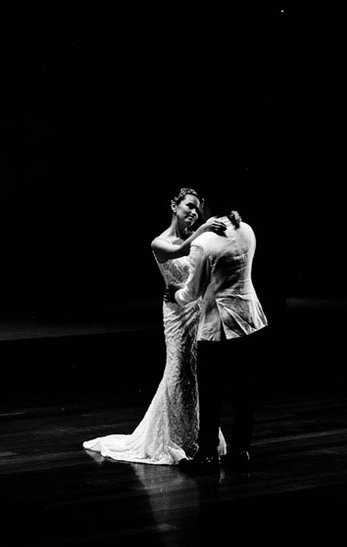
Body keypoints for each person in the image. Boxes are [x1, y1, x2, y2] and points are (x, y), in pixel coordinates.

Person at [83, 188, 215, 466]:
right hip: (177, 313)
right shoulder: (159, 242)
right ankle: (166, 438)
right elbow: (181, 250)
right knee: (178, 369)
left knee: (194, 373)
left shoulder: (199, 238)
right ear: (174, 206)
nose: (194, 212)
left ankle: (193, 437)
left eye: (198, 209)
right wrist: (204, 228)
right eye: (189, 206)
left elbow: (201, 273)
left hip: (197, 309)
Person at [185, 205, 267, 466]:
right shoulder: (248, 230)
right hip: (249, 318)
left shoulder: (204, 243)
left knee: (211, 392)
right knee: (245, 391)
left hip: (217, 325)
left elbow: (193, 291)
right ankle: (241, 450)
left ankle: (207, 452)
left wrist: (175, 294)